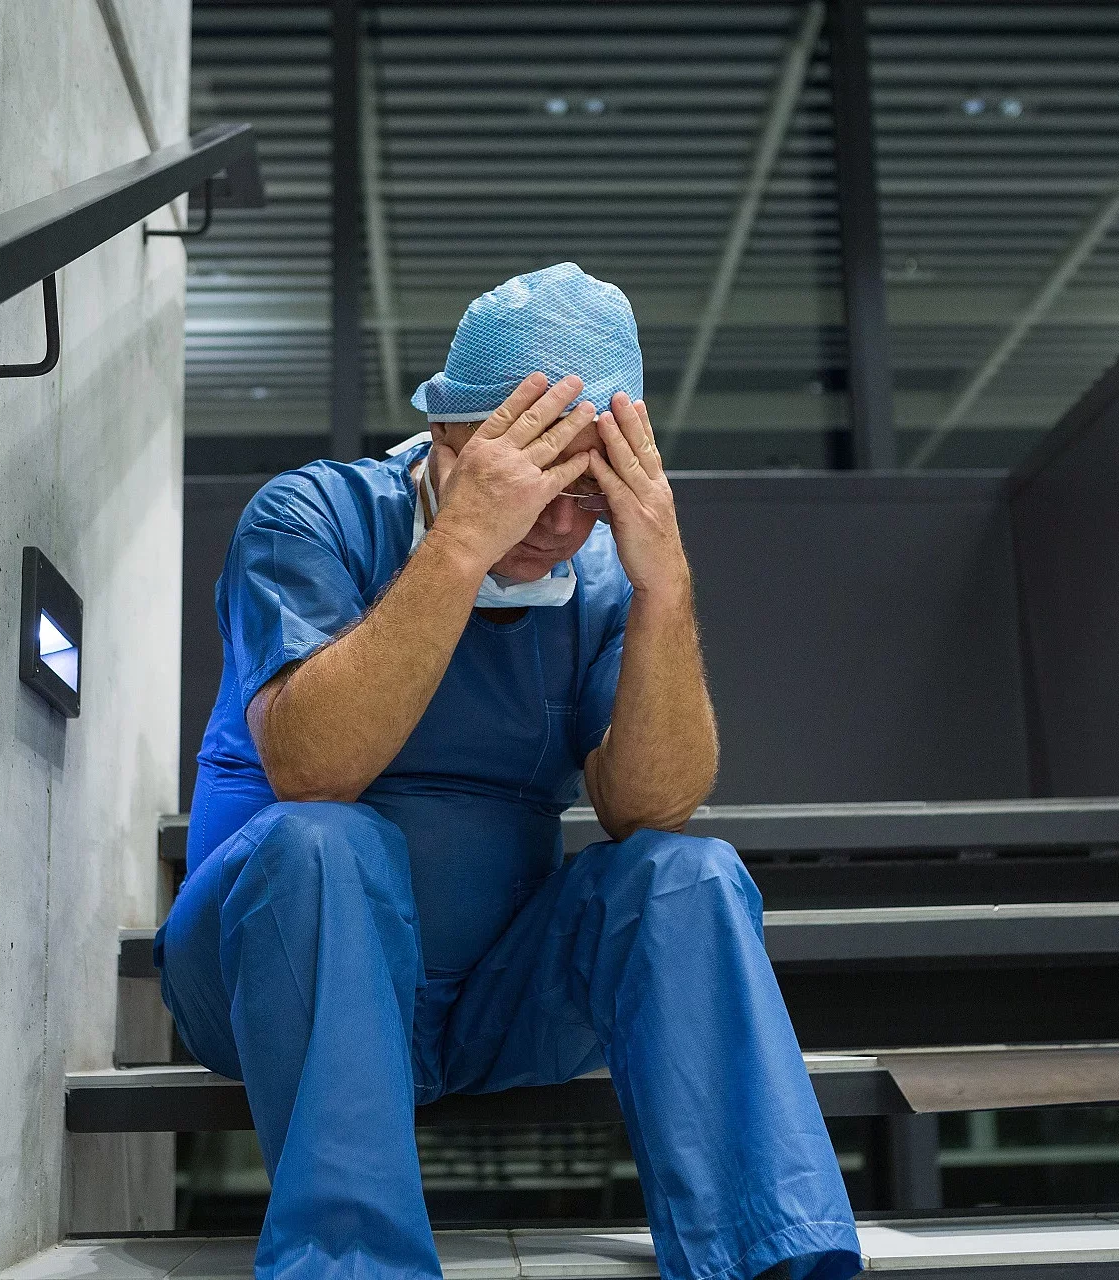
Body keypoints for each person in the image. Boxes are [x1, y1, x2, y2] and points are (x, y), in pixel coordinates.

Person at [154, 263, 860, 1280]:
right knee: (323, 837)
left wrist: (663, 584)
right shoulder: (307, 517)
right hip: (270, 975)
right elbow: (313, 767)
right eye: (530, 480)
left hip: (494, 1003)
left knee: (686, 869)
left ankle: (771, 1264)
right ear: (448, 437)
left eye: (588, 493)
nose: (561, 525)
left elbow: (650, 803)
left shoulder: (602, 577)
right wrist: (459, 546)